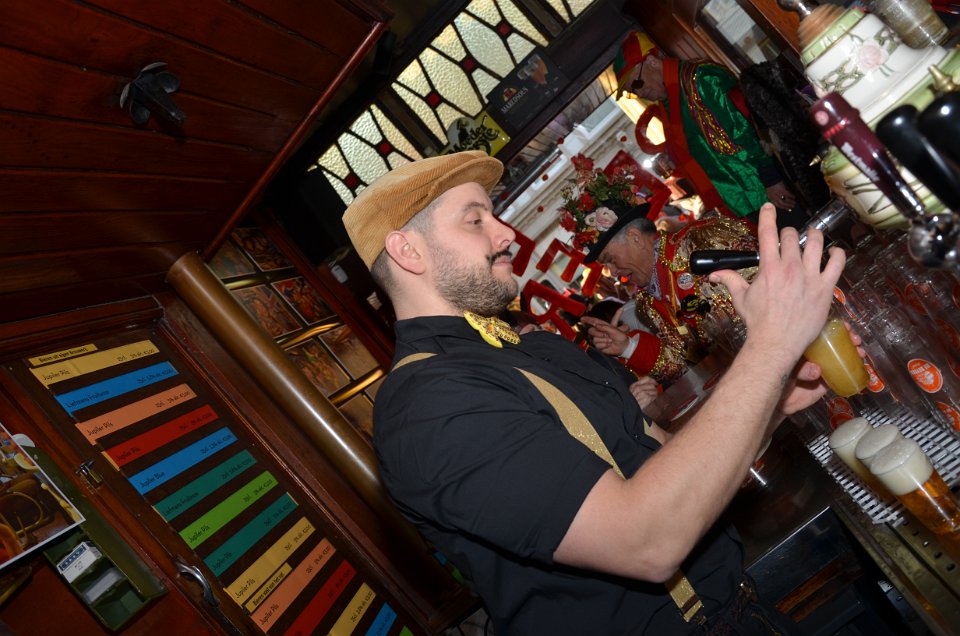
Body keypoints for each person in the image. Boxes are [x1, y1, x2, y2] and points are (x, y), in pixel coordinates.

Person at [341, 150, 847, 634]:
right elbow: (646, 540)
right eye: (475, 220)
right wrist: (768, 348)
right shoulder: (427, 407)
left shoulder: (537, 351)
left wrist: (775, 399)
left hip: (743, 607)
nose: (506, 234)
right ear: (407, 251)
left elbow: (670, 459)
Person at [561, 153, 758, 383]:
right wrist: (628, 347)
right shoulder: (647, 304)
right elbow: (686, 365)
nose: (612, 273)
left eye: (610, 259)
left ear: (635, 238)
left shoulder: (702, 240)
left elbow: (770, 286)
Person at [615, 31, 797, 223]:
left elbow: (743, 131)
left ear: (652, 61)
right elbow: (701, 149)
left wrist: (771, 179)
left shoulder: (700, 79)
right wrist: (674, 158)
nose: (640, 93)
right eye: (632, 92)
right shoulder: (668, 102)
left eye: (637, 83)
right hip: (738, 202)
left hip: (762, 190)